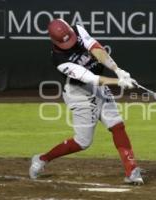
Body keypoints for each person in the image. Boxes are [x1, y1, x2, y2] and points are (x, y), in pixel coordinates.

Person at [29, 19, 144, 185]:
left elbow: (97, 50)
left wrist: (118, 70)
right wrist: (118, 82)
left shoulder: (77, 30)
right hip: (79, 94)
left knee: (117, 125)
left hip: (98, 88)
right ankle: (42, 159)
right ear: (54, 41)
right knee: (83, 142)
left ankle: (132, 170)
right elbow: (91, 78)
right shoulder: (59, 60)